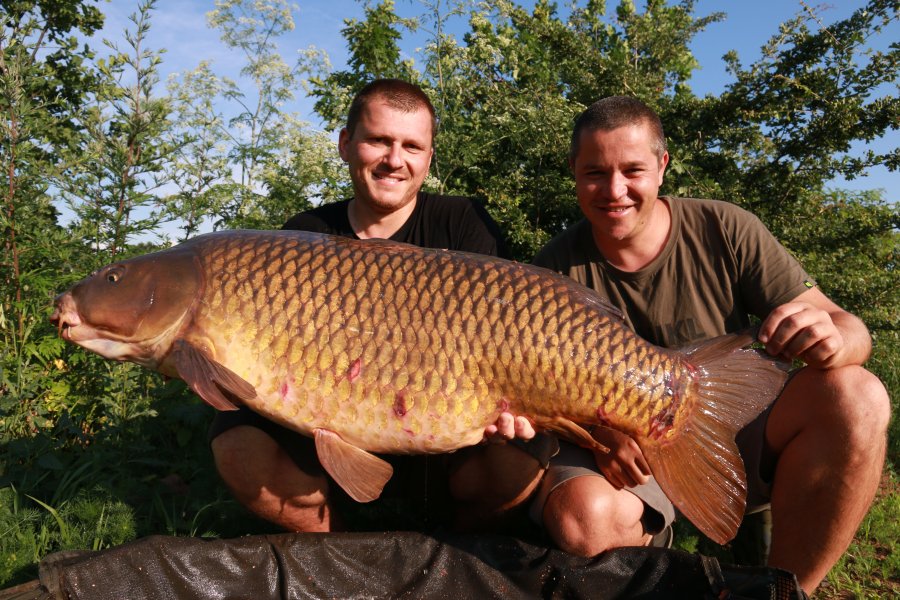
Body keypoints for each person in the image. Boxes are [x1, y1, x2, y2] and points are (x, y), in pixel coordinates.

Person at [512, 95, 889, 594]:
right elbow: (532, 392)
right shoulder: (554, 268)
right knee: (585, 519)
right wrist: (601, 436)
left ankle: (790, 590)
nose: (614, 190)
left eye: (633, 170)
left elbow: (848, 327)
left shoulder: (726, 227)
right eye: (595, 173)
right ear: (574, 172)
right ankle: (654, 571)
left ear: (662, 166)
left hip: (733, 421)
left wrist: (835, 341)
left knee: (857, 395)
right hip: (627, 450)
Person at [209, 78, 521, 533]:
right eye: (379, 140)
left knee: (525, 455)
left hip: (446, 440)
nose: (395, 160)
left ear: (429, 157)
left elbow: (505, 335)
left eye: (412, 146)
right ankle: (341, 551)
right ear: (345, 144)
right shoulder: (305, 234)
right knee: (234, 441)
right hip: (331, 446)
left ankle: (456, 551)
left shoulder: (464, 224)